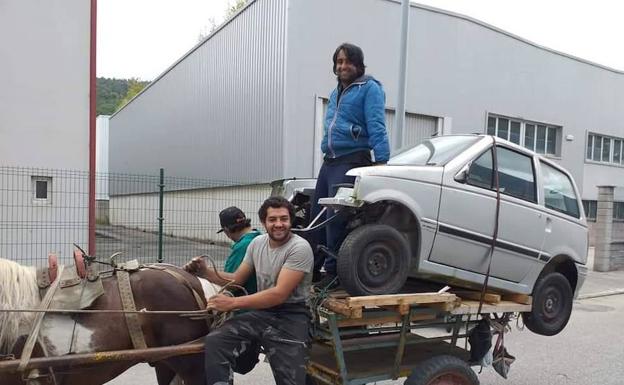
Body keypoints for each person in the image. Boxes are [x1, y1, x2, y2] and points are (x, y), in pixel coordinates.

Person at [184, 196, 314, 385]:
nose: (279, 224)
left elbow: (279, 294)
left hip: (292, 316)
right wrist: (205, 272)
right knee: (216, 342)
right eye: (272, 219)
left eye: (283, 219)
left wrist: (232, 303)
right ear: (263, 222)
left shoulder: (299, 248)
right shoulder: (256, 243)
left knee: (291, 381)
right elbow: (237, 279)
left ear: (290, 221)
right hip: (263, 314)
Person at [312, 42, 390, 289]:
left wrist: (382, 162)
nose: (342, 66)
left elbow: (377, 124)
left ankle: (334, 273)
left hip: (352, 159)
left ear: (358, 64)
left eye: (347, 61)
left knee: (336, 219)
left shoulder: (370, 88)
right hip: (330, 162)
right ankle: (313, 268)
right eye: (339, 62)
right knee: (317, 216)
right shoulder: (336, 92)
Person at [217, 206, 261, 295]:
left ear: (226, 230)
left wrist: (205, 272)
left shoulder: (243, 246)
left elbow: (231, 283)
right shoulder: (259, 236)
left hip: (245, 303)